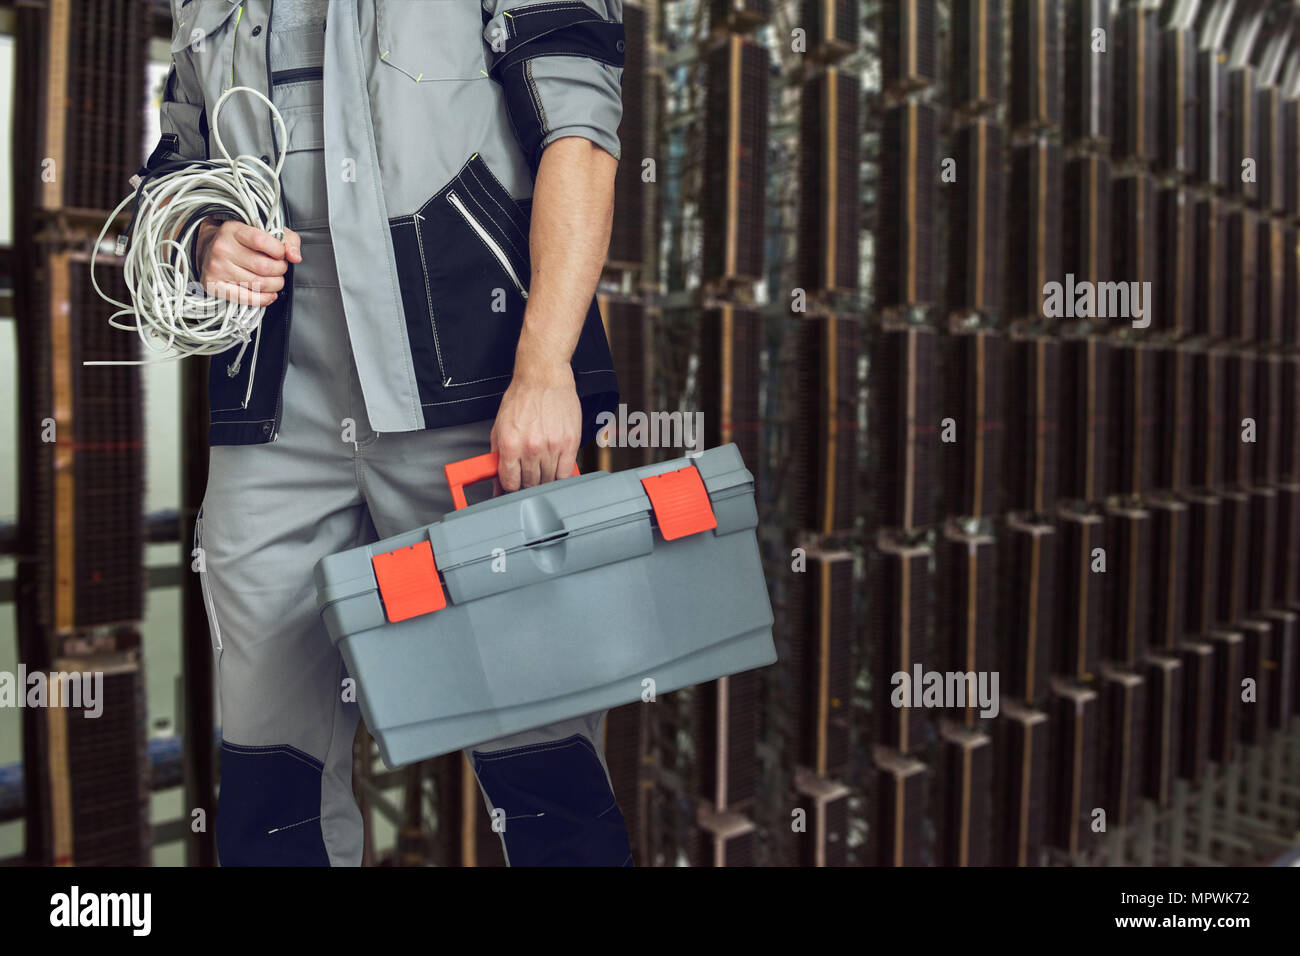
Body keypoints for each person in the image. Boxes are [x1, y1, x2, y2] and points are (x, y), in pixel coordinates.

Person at [152, 0, 631, 866]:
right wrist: (206, 239)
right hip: (273, 414)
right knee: (269, 772)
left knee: (542, 759)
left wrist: (546, 366)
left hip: (473, 399)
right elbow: (176, 170)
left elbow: (582, 132)